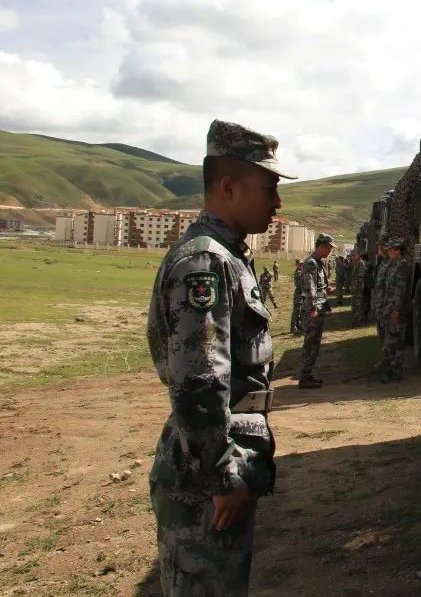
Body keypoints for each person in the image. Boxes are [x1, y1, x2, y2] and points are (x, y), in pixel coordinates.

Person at [146, 119, 295, 596]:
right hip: (204, 483)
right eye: (269, 188)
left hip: (218, 469)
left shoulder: (228, 256)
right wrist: (223, 478)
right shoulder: (205, 262)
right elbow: (199, 386)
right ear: (228, 187)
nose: (277, 202)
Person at [297, 234, 336, 388]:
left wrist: (327, 289)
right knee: (310, 344)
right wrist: (313, 308)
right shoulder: (311, 263)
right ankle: (304, 378)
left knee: (314, 344)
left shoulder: (318, 263)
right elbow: (310, 287)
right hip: (314, 309)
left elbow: (318, 285)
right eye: (329, 249)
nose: (330, 252)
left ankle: (308, 374)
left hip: (319, 307)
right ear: (321, 247)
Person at [380, 238, 411, 383]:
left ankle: (396, 371)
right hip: (389, 308)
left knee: (396, 341)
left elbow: (400, 289)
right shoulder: (393, 264)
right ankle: (390, 368)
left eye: (391, 250)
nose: (388, 252)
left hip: (397, 310)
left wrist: (396, 310)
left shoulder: (402, 265)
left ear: (398, 251)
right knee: (389, 341)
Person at [373, 242, 391, 341]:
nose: (379, 248)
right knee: (380, 323)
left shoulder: (391, 262)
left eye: (381, 246)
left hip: (386, 300)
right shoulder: (382, 262)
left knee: (386, 325)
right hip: (379, 299)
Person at [350, 252, 369, 325]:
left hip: (358, 287)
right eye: (352, 255)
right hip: (355, 287)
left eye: (354, 255)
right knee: (354, 303)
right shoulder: (357, 263)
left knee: (358, 303)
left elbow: (360, 277)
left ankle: (358, 319)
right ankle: (356, 318)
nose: (353, 257)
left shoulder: (361, 263)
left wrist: (356, 287)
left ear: (359, 256)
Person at [289, 258, 303, 335]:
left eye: (302, 264)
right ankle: (293, 327)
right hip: (299, 294)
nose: (301, 265)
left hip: (301, 293)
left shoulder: (301, 272)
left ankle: (298, 325)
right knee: (296, 311)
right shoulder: (299, 273)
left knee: (300, 310)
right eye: (300, 264)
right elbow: (299, 284)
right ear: (296, 264)